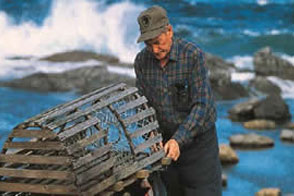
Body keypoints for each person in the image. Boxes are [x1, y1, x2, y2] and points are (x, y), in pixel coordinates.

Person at [134, 5, 222, 196]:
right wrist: (151, 135)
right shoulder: (141, 62)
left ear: (169, 31)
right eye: (148, 44)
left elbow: (202, 106)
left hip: (199, 147)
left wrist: (178, 140)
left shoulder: (192, 56)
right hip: (165, 147)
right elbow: (143, 105)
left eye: (157, 42)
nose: (154, 49)